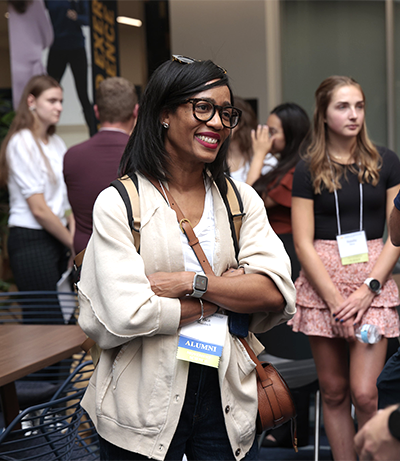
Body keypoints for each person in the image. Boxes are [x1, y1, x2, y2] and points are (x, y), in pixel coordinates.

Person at [77, 55, 296, 461]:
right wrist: (225, 294)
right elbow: (128, 313)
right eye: (202, 107)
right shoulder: (121, 203)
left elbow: (277, 291)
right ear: (164, 113)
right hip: (140, 401)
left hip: (225, 394)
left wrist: (190, 283)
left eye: (225, 113)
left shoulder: (239, 199)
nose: (216, 122)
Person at [289, 75, 400, 461]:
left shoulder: (386, 161)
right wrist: (336, 299)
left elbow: (396, 236)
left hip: (373, 286)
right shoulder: (306, 169)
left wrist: (367, 289)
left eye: (359, 106)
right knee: (333, 392)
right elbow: (302, 242)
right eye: (342, 106)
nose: (353, 115)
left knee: (366, 393)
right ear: (323, 114)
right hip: (324, 290)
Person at [0, 75, 73, 303]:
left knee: (66, 318)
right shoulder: (22, 142)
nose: (59, 107)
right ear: (31, 101)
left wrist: (71, 231)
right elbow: (39, 209)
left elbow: (64, 200)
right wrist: (73, 243)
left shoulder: (56, 143)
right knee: (45, 323)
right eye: (52, 101)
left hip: (57, 236)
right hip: (31, 240)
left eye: (61, 101)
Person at [63, 77, 138, 254]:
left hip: (86, 257)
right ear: (136, 111)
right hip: (130, 256)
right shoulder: (145, 156)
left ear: (96, 112)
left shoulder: (71, 156)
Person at [247, 102, 310, 281]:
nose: (267, 137)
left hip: (289, 248)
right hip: (276, 246)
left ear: (290, 135)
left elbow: (248, 201)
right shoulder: (283, 166)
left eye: (273, 132)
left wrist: (259, 154)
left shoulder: (298, 170)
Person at [45, 0, 95, 136]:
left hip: (77, 47)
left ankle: (94, 134)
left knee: (83, 93)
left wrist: (77, 17)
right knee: (48, 92)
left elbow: (90, 20)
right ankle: (44, 132)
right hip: (56, 48)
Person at [8, 0, 54, 110]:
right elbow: (48, 37)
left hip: (9, 68)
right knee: (30, 119)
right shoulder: (34, 2)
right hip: (30, 70)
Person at [226, 96, 277, 182]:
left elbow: (248, 194)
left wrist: (259, 155)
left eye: (226, 117)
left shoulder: (267, 162)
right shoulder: (212, 159)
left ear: (238, 123)